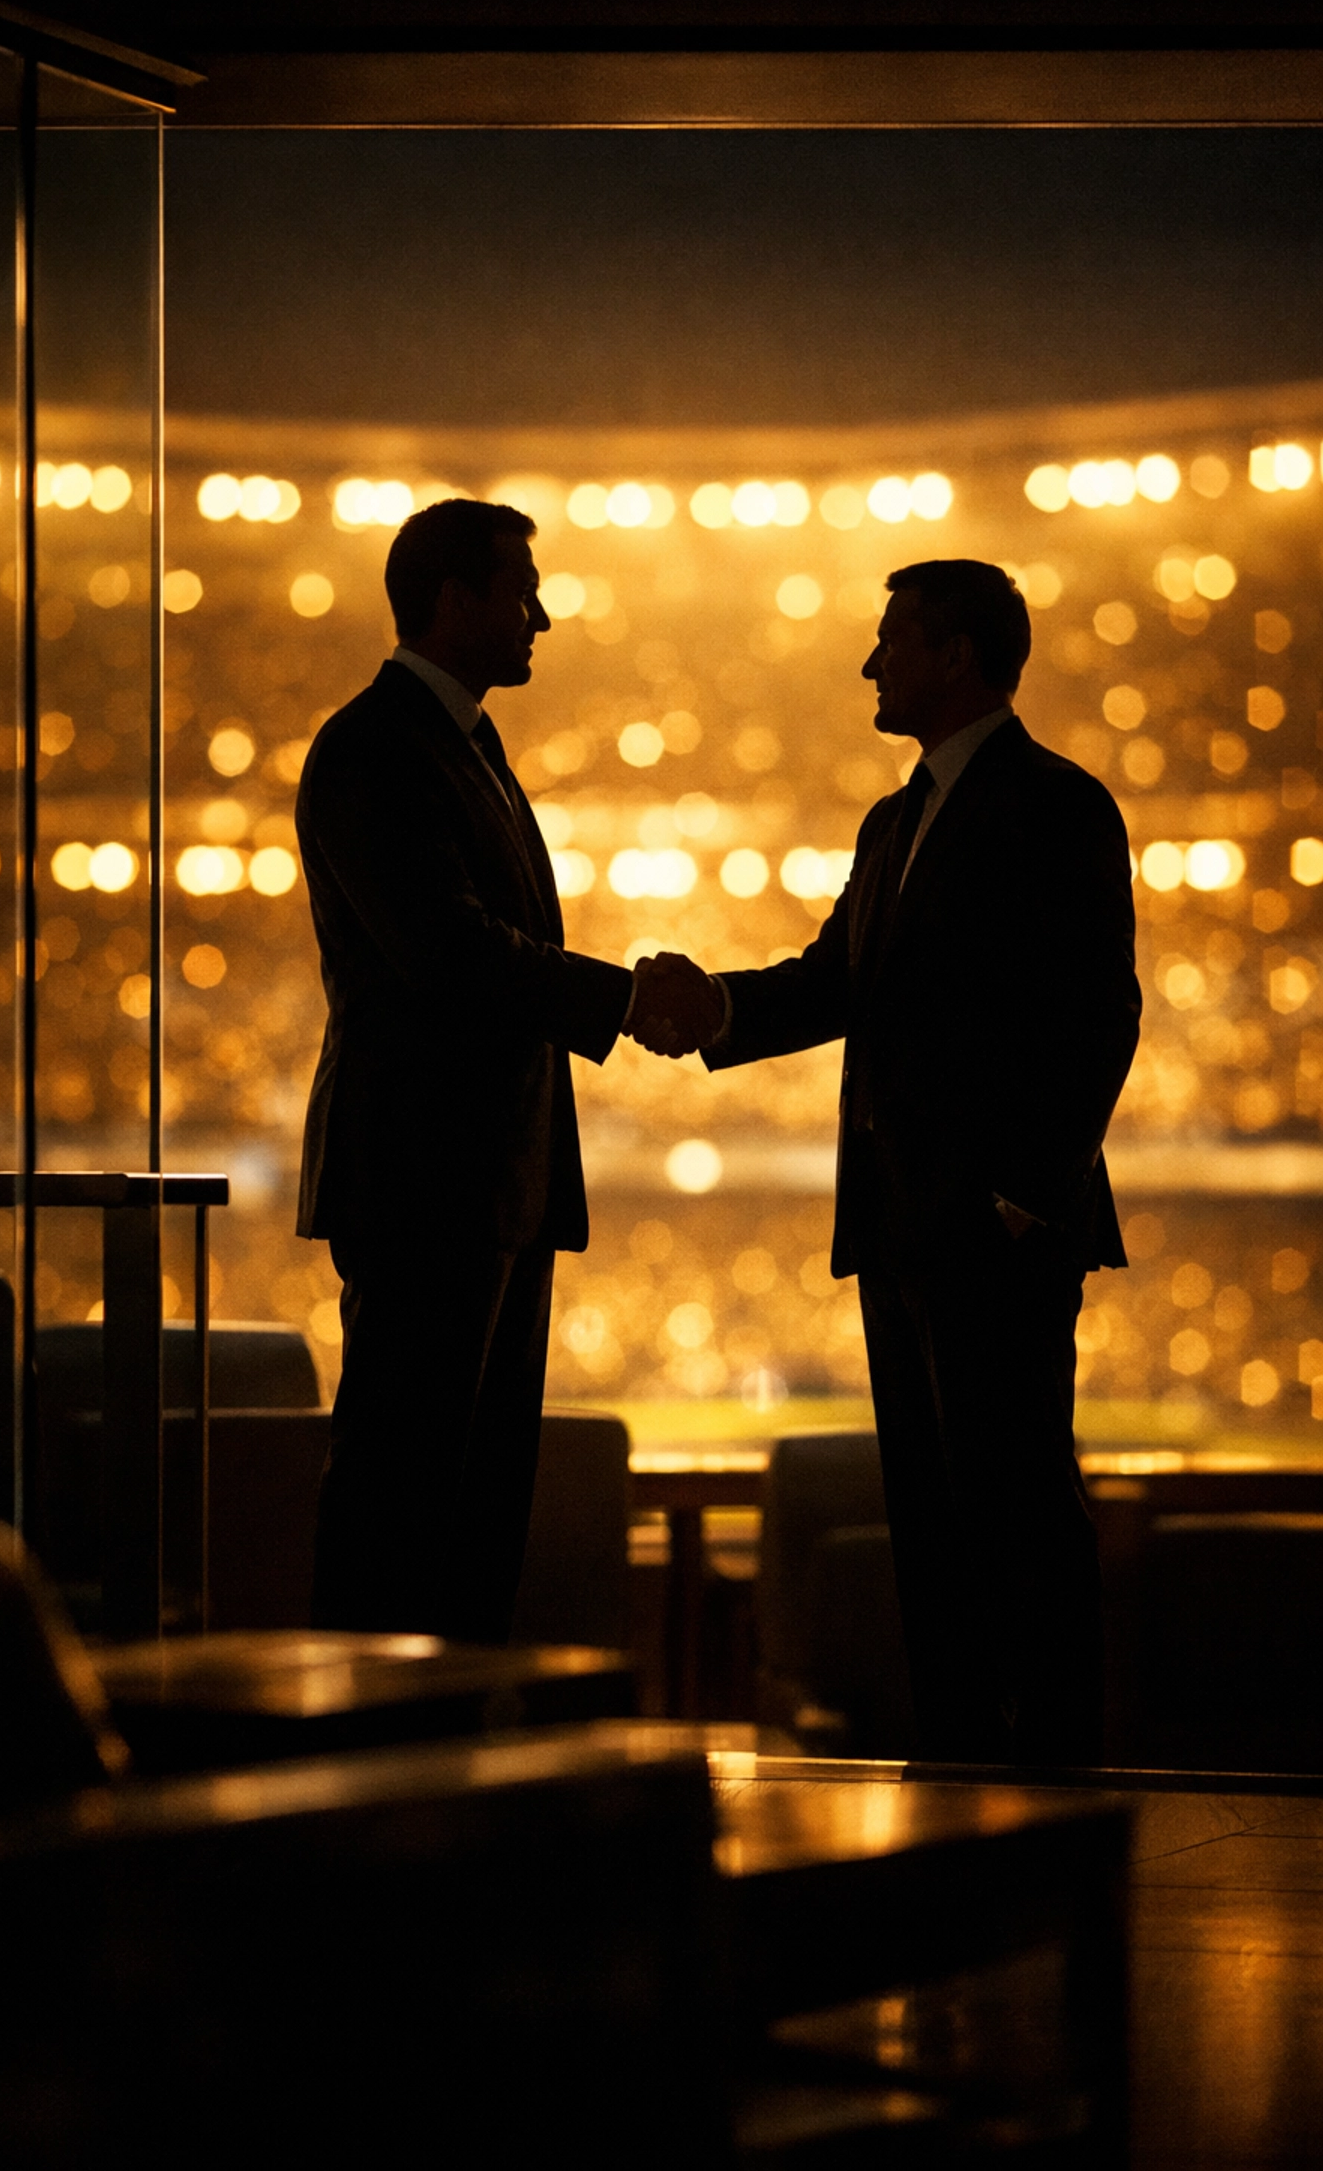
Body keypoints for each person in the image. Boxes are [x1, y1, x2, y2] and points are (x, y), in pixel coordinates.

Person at [631, 560, 1141, 1762]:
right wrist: (712, 1011)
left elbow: (1098, 1017)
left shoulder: (1059, 804)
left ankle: (1059, 1774)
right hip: (905, 1227)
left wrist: (1024, 1195)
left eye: (890, 642)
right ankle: (960, 1759)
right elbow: (835, 983)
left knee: (1017, 1508)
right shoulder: (895, 820)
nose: (870, 665)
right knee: (931, 1515)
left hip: (994, 1230)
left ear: (955, 655)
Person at [295, 498, 636, 1642]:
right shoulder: (373, 746)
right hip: (425, 1182)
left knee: (475, 1511)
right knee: (402, 1502)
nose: (540, 615)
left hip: (491, 1186)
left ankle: (445, 1766)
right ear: (452, 601)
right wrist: (628, 997)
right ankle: (366, 1768)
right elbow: (446, 952)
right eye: (519, 590)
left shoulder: (459, 744)